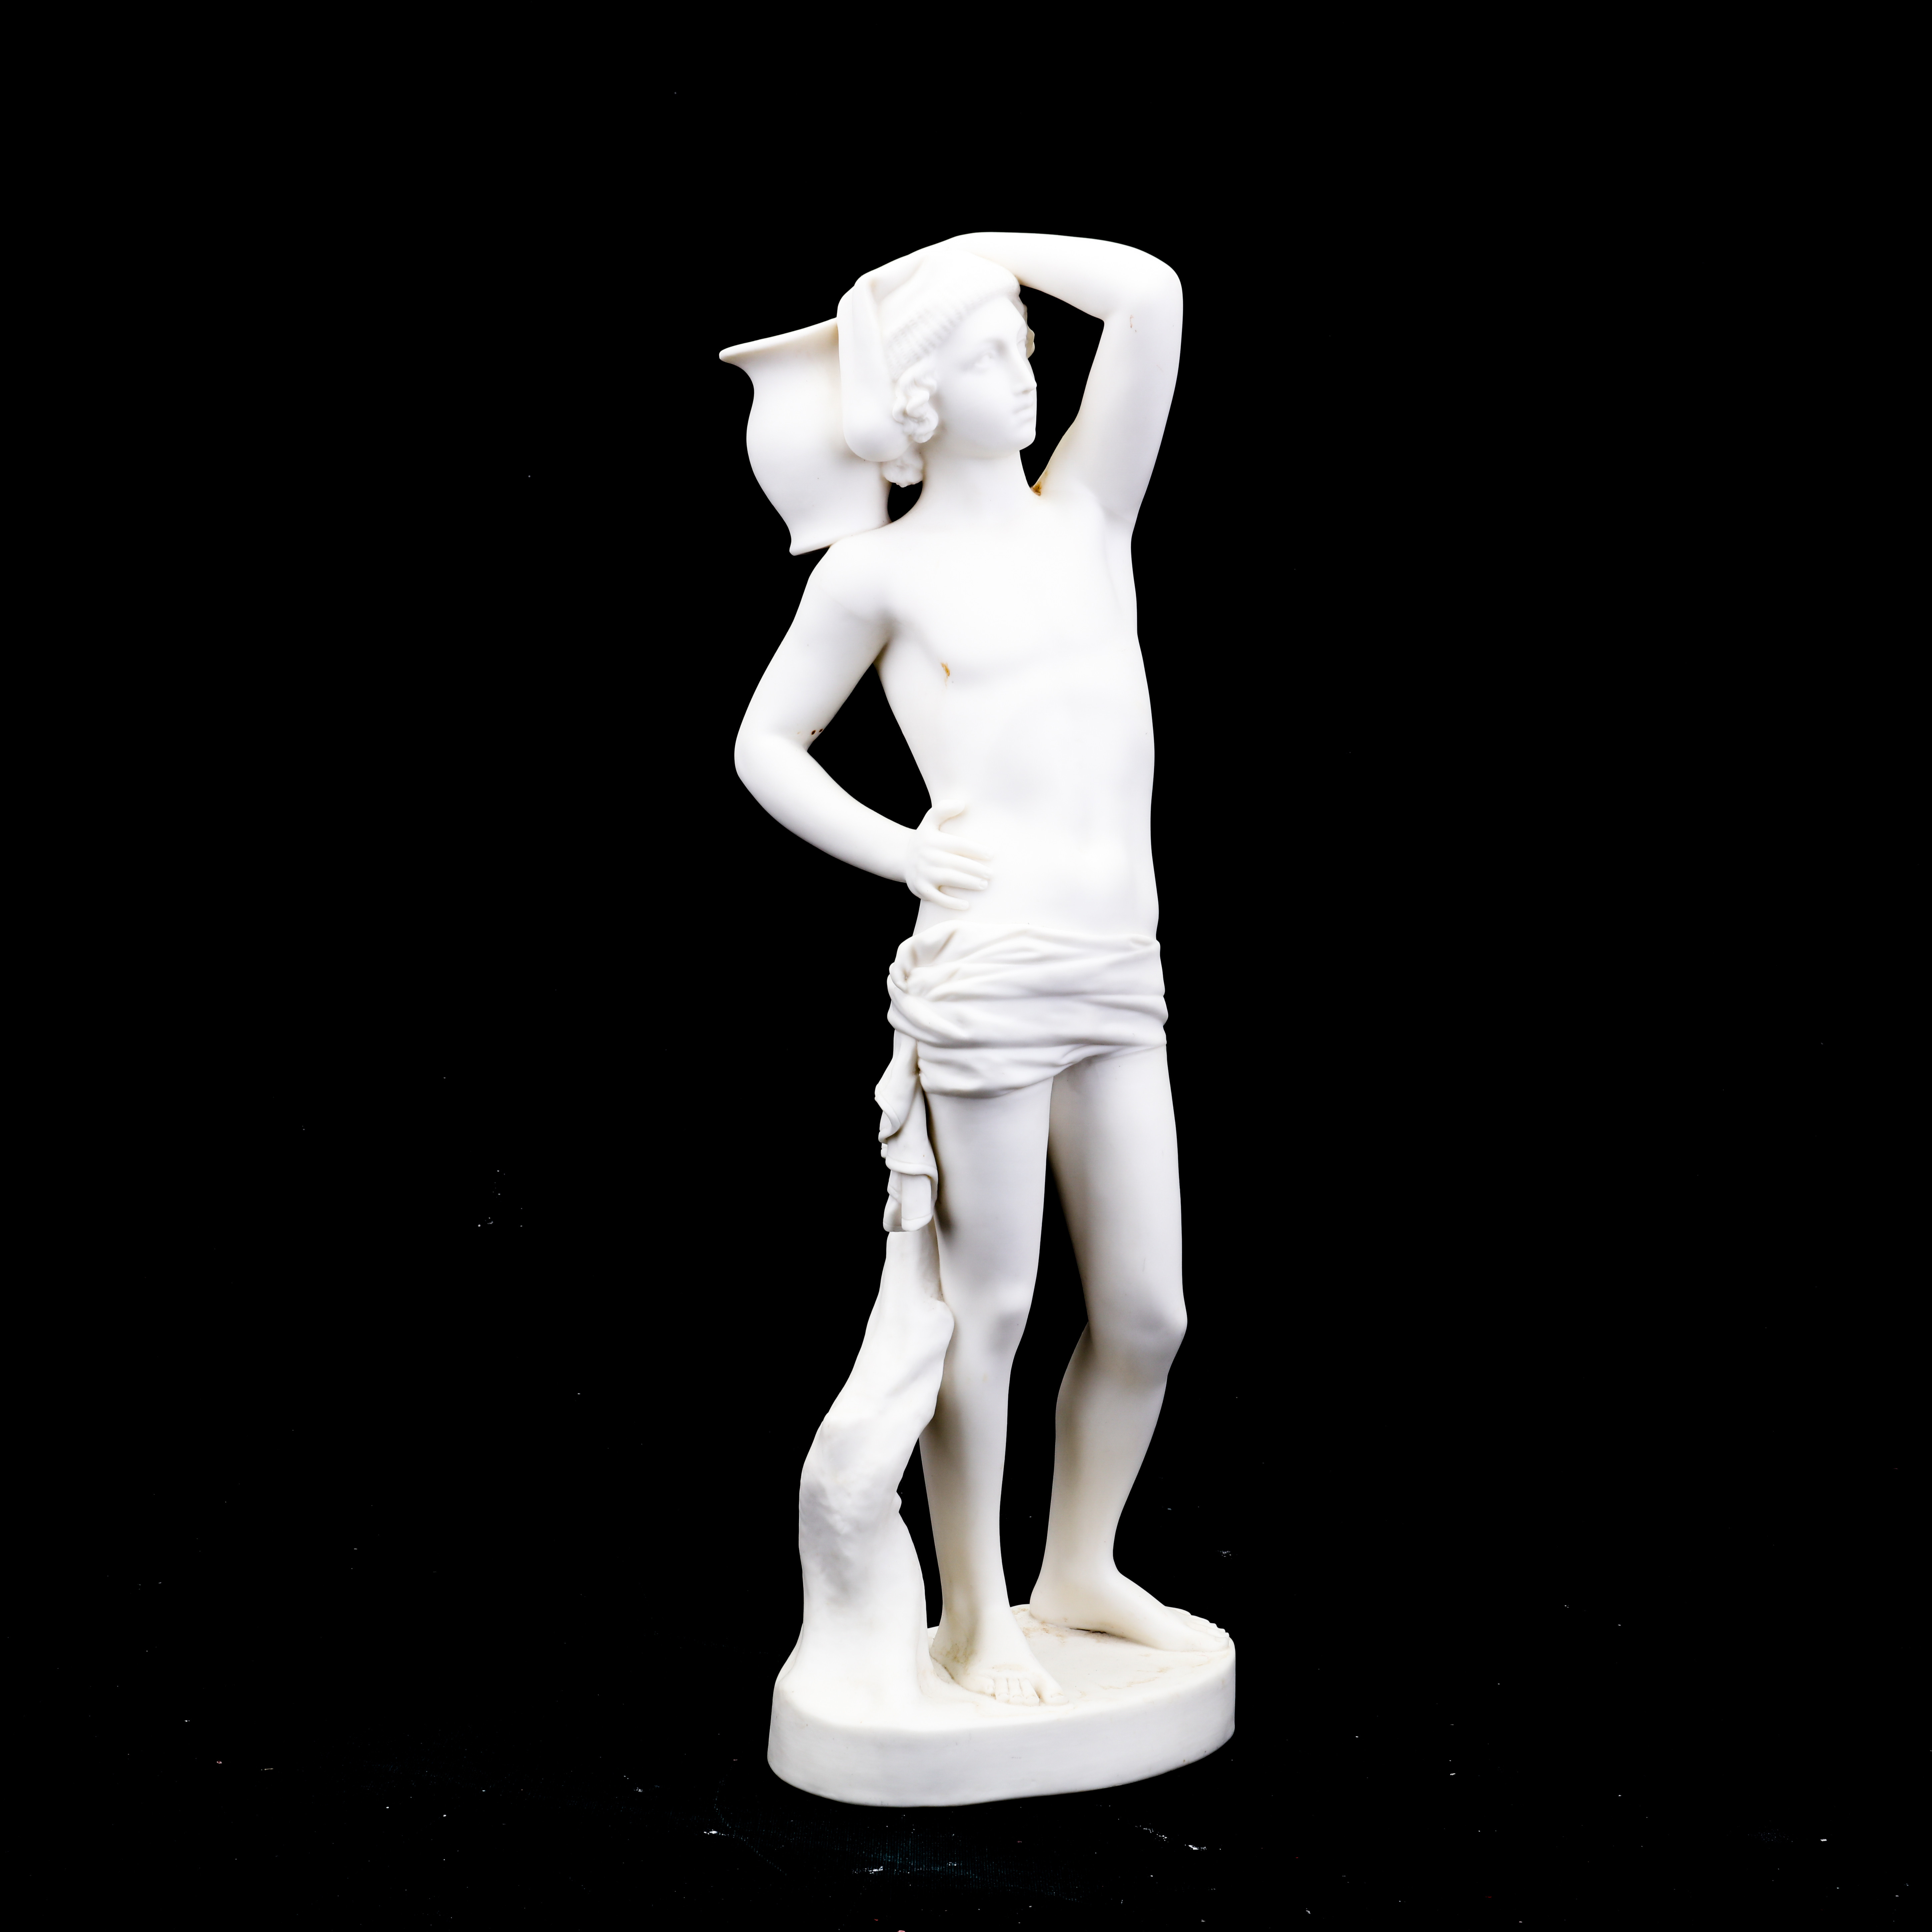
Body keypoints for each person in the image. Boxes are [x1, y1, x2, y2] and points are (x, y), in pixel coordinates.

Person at [734, 233, 1224, 1707]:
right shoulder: (878, 572)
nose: (1026, 371)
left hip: (1117, 962)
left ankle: (1078, 1567)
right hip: (991, 971)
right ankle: (975, 1614)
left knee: (1146, 1312)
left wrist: (976, 252)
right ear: (917, 395)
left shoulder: (1088, 512)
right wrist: (900, 852)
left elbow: (1150, 297)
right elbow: (766, 743)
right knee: (988, 1310)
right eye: (991, 350)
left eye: (1024, 345)